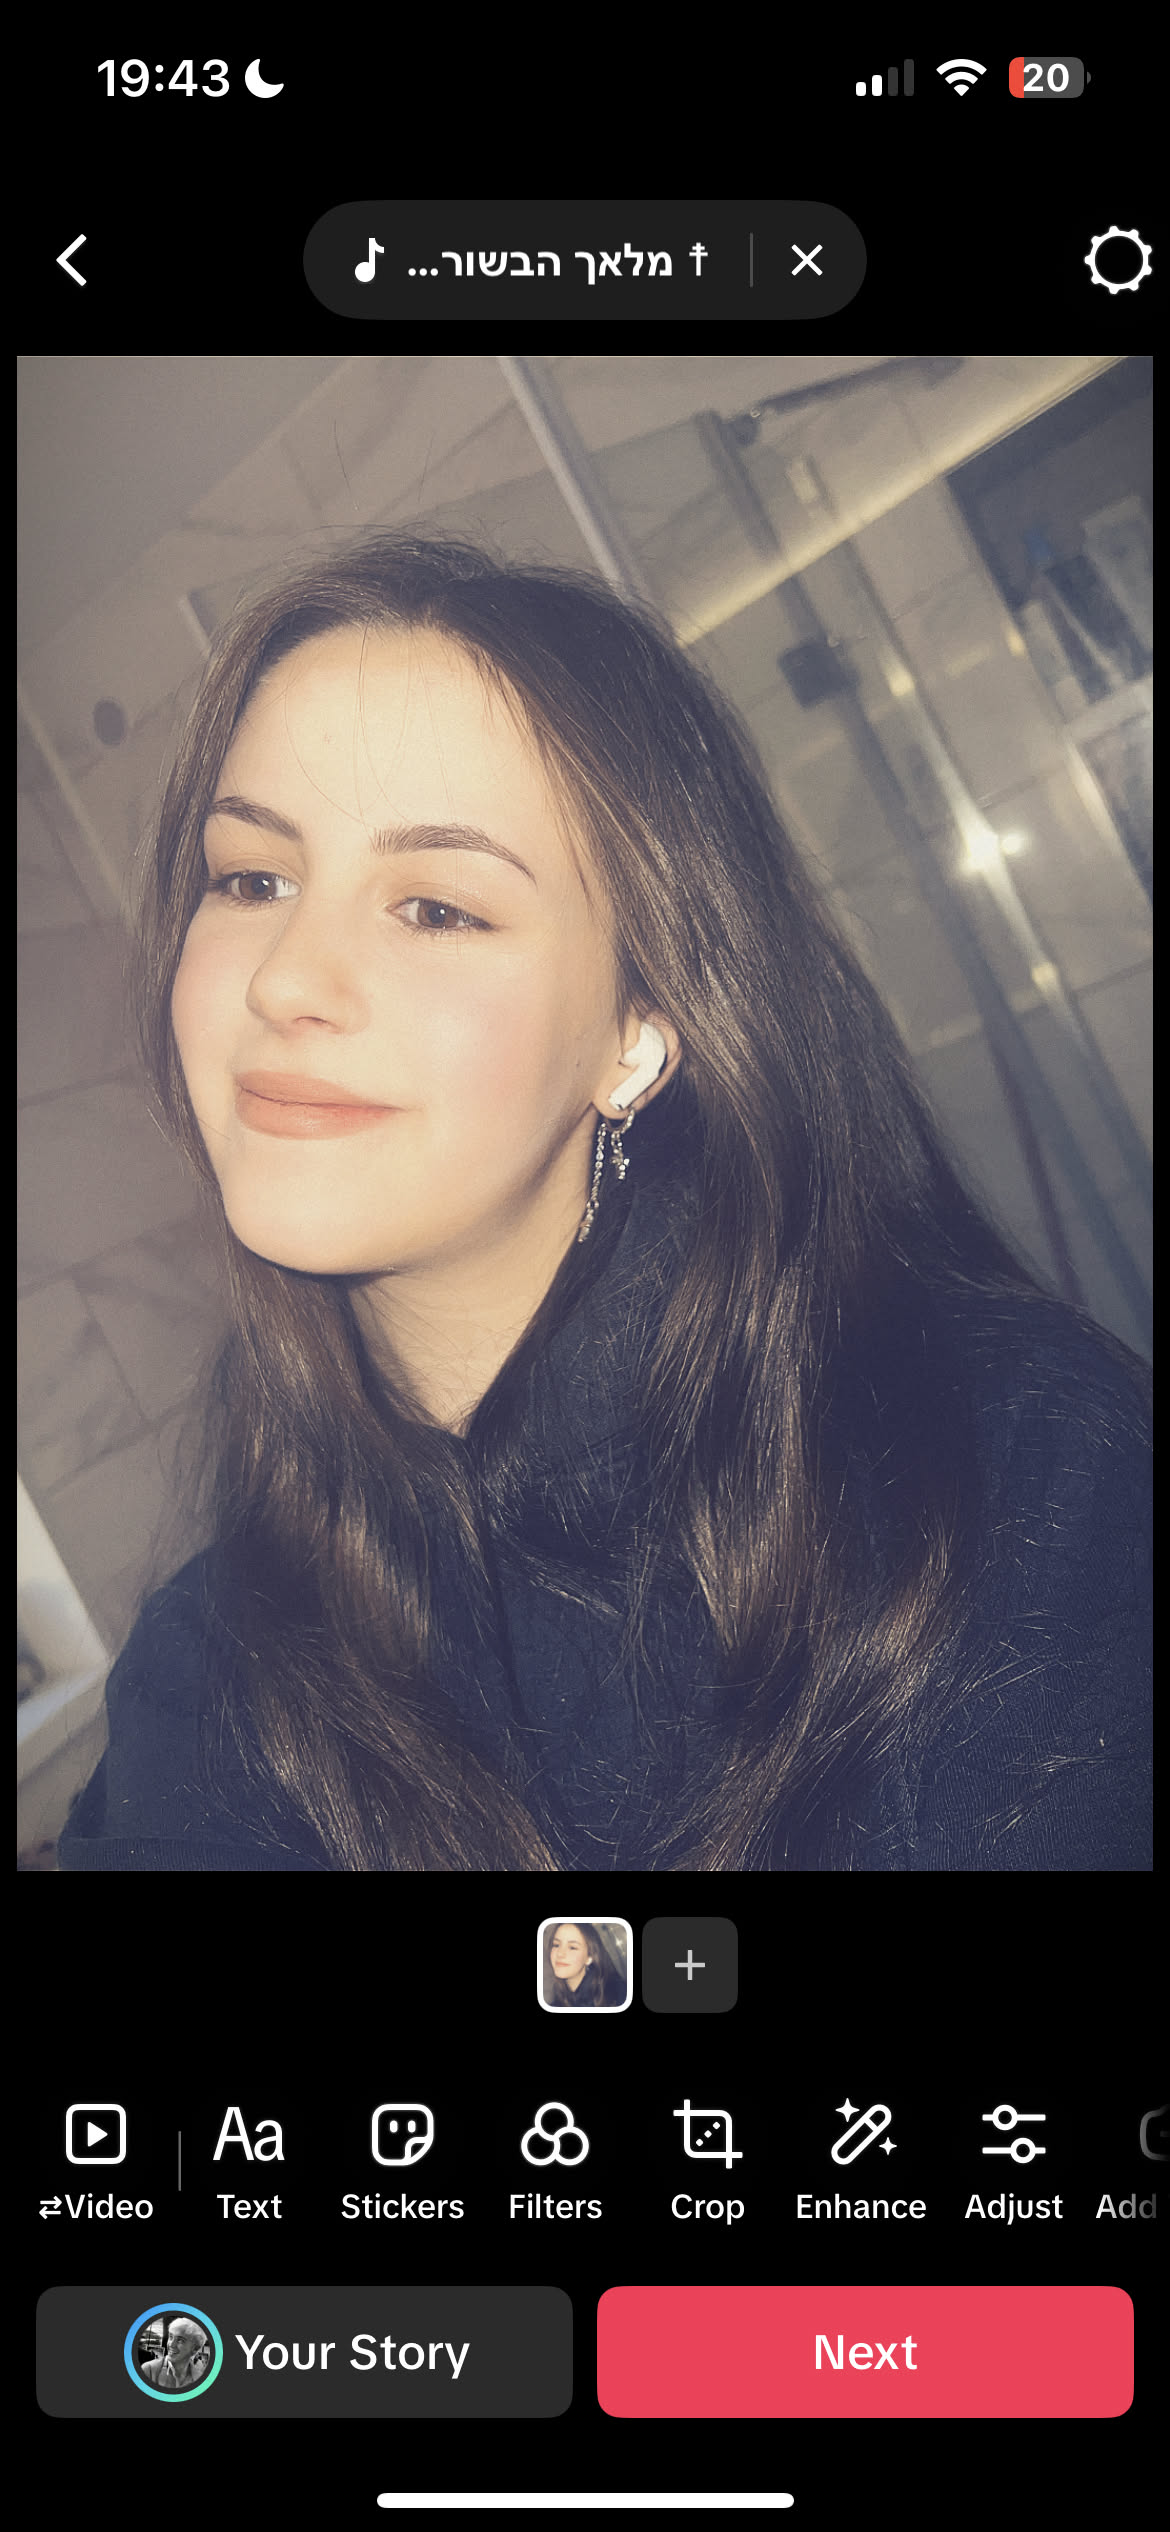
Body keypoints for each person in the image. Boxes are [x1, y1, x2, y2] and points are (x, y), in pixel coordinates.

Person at [58, 529, 1151, 1874]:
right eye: (252, 880)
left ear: (638, 1030)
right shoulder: (202, 1678)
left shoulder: (1012, 1470)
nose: (284, 979)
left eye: (435, 908)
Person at [547, 1922, 625, 2006]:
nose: (560, 1954)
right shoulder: (556, 2001)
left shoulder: (619, 1995)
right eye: (556, 1945)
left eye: (572, 1947)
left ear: (589, 1958)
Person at [140, 2317, 210, 2389]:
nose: (171, 2344)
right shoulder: (149, 2369)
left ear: (195, 2348)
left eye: (180, 2340)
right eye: (171, 2337)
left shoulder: (200, 2377)